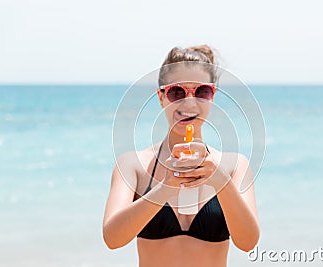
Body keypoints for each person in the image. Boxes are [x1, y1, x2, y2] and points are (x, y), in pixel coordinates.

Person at [103, 45, 260, 267]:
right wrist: (166, 187)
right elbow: (112, 239)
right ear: (161, 97)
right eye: (177, 92)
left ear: (212, 96)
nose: (189, 102)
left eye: (201, 91)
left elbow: (248, 242)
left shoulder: (235, 166)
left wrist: (220, 181)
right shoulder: (132, 165)